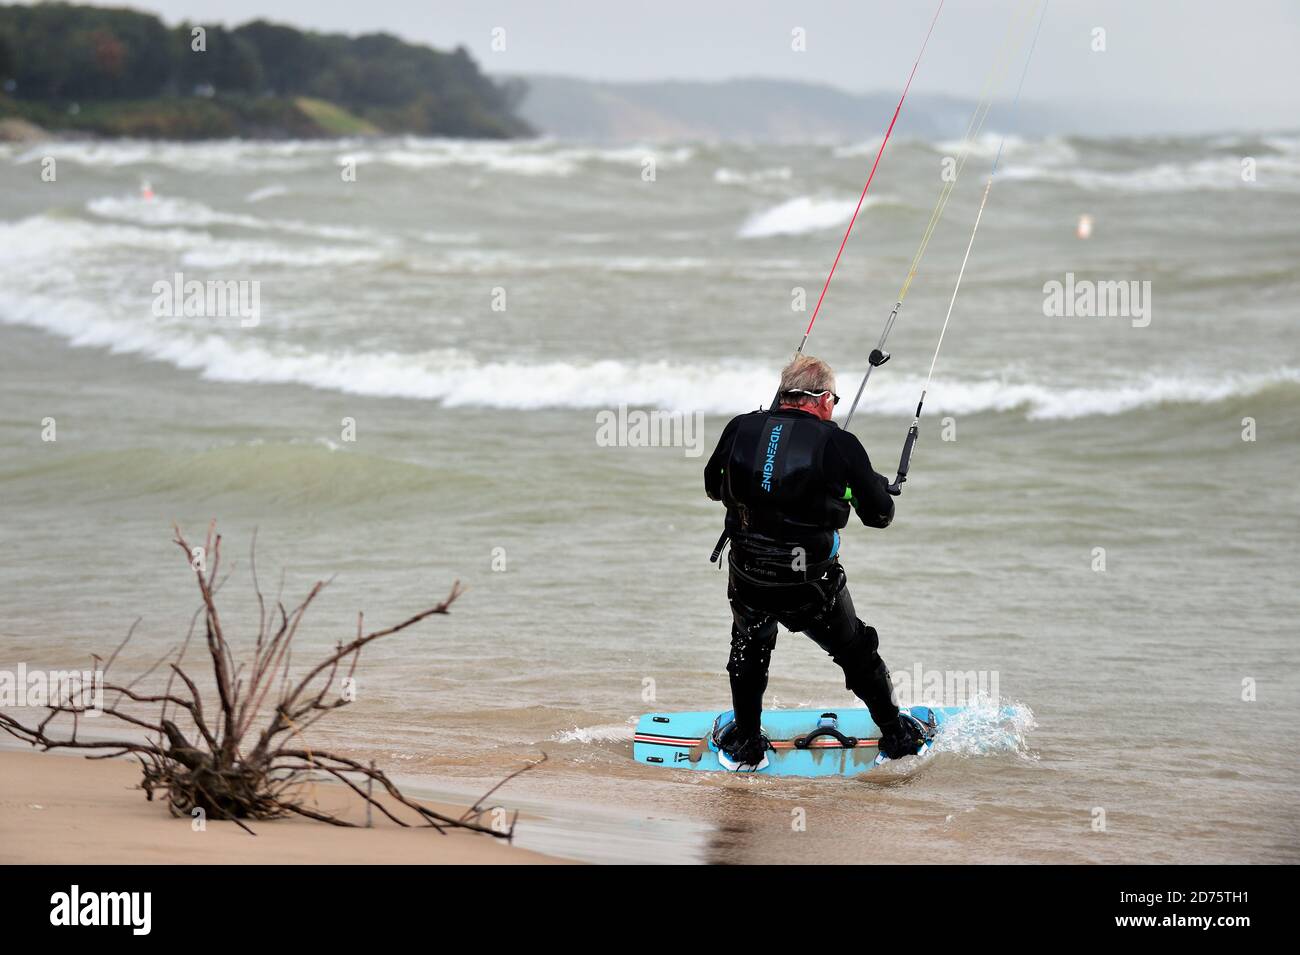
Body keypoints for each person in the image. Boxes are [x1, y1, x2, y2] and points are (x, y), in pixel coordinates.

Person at [704, 354, 926, 770]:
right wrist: (864, 487)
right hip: (809, 584)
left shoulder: (739, 427)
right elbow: (880, 516)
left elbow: (713, 487)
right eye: (834, 400)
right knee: (857, 649)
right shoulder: (838, 442)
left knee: (748, 647)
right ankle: (896, 736)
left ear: (784, 395)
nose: (833, 408)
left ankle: (747, 745)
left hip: (748, 573)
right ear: (823, 398)